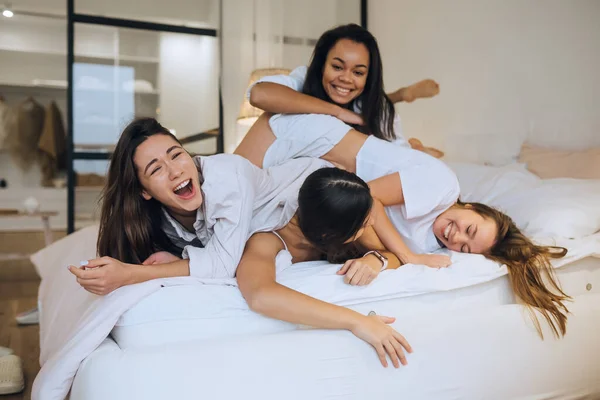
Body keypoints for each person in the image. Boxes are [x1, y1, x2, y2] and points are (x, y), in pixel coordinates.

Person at [235, 24, 570, 338]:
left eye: (465, 248)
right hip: (314, 136)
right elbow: (367, 201)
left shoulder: (431, 237)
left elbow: (384, 228)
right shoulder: (443, 187)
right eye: (468, 229)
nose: (455, 238)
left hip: (319, 163)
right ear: (470, 206)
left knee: (235, 219)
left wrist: (379, 258)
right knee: (230, 190)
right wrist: (409, 259)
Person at [68, 117, 413, 367]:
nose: (174, 170)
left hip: (317, 187)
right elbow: (257, 289)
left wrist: (387, 259)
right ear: (142, 189)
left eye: (176, 154)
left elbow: (373, 211)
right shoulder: (265, 238)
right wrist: (357, 320)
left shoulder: (329, 206)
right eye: (156, 169)